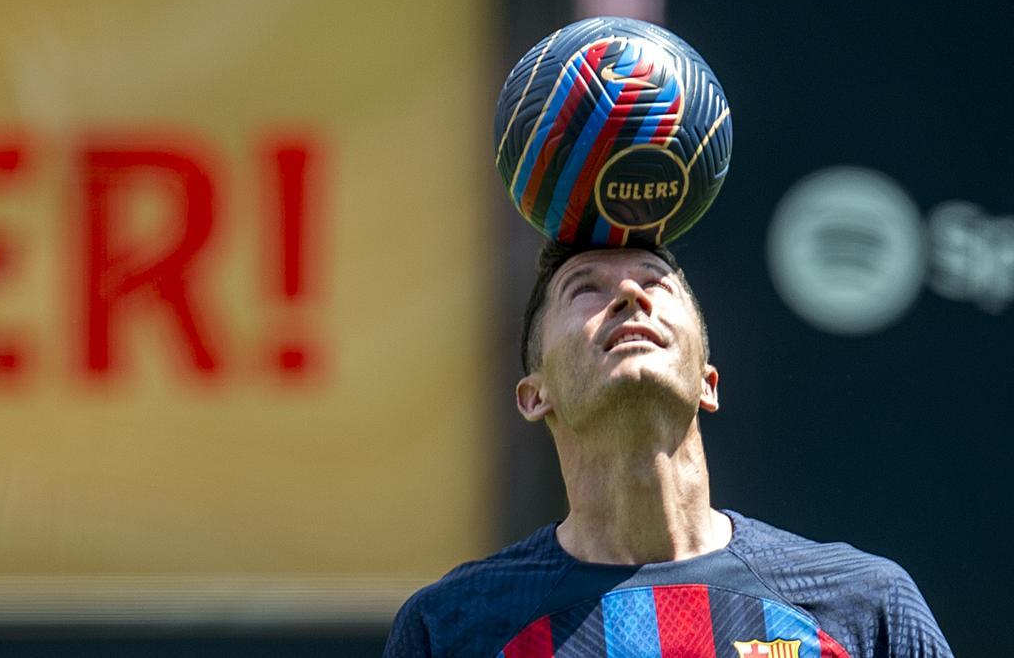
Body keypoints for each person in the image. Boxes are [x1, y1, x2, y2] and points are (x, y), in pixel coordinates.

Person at [383, 241, 953, 657]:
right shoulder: (451, 628)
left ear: (708, 383)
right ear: (536, 396)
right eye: (585, 288)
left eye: (655, 281)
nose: (631, 295)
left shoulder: (865, 607)